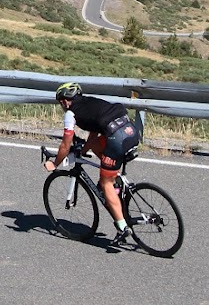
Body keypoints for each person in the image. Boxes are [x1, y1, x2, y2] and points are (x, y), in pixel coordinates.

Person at [44, 82, 142, 243]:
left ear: (64, 101)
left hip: (117, 139)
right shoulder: (90, 102)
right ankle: (115, 181)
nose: (61, 105)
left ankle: (123, 227)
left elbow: (65, 144)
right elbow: (95, 129)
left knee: (105, 183)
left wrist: (55, 164)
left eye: (61, 102)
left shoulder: (70, 113)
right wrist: (84, 150)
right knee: (99, 147)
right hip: (131, 132)